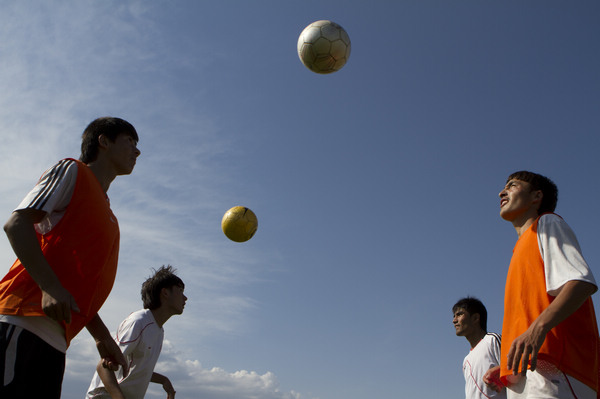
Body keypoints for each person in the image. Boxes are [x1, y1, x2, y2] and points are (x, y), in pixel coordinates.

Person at [0, 117, 141, 398]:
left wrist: (102, 337)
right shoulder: (72, 171)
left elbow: (74, 286)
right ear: (103, 141)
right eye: (130, 142)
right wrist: (49, 287)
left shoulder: (109, 214)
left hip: (57, 342)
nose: (137, 152)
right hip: (20, 321)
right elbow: (16, 224)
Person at [484, 171, 599, 399]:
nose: (501, 191)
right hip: (527, 373)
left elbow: (580, 283)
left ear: (536, 196)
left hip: (557, 367)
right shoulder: (520, 248)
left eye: (513, 185)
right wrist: (507, 363)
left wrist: (537, 331)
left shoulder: (547, 224)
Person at [86, 265, 187, 399]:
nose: (185, 298)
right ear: (165, 293)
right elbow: (103, 366)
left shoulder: (159, 330)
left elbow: (135, 369)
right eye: (180, 290)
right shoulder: (138, 322)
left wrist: (163, 380)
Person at [453, 297, 506, 399]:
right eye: (454, 316)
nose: (454, 320)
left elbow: (518, 366)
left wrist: (503, 371)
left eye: (459, 314)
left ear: (475, 318)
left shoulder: (492, 340)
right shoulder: (466, 361)